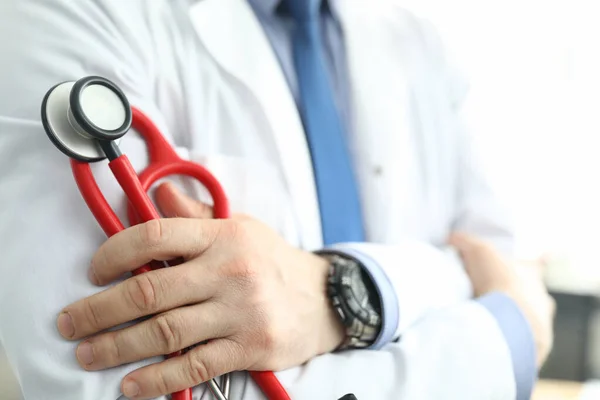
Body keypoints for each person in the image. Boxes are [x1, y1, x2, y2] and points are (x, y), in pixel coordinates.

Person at [0, 0, 554, 399]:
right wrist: (500, 343)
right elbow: (113, 389)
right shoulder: (64, 14)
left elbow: (501, 261)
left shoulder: (422, 45)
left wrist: (337, 292)